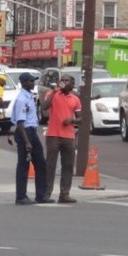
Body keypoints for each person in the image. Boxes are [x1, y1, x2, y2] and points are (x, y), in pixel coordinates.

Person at [9, 72, 49, 205]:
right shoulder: (22, 99)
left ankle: (41, 195)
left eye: (33, 81)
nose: (33, 83)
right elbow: (20, 122)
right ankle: (21, 196)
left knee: (41, 163)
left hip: (32, 131)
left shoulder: (29, 96)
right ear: (24, 82)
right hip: (25, 133)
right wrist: (27, 142)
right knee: (23, 165)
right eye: (31, 81)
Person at [41, 74, 81, 204]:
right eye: (61, 80)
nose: (63, 82)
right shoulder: (52, 94)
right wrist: (54, 90)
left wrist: (72, 120)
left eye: (66, 80)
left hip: (69, 136)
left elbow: (81, 118)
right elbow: (45, 107)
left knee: (68, 166)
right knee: (50, 165)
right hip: (53, 135)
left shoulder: (75, 99)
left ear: (72, 84)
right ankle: (46, 193)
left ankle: (64, 194)